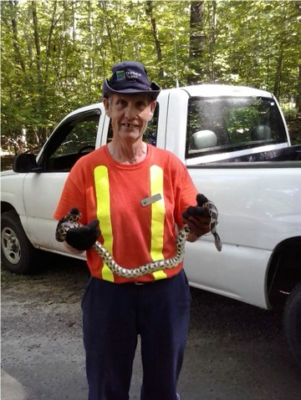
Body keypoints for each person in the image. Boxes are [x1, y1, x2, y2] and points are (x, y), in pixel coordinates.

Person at [54, 61, 211, 400]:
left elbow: (191, 229)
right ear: (107, 105)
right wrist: (74, 239)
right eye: (122, 103)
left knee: (163, 388)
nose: (130, 114)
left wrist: (201, 223)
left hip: (166, 295)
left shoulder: (170, 165)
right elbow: (67, 235)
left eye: (140, 104)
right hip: (108, 297)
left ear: (151, 110)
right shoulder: (85, 168)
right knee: (107, 387)